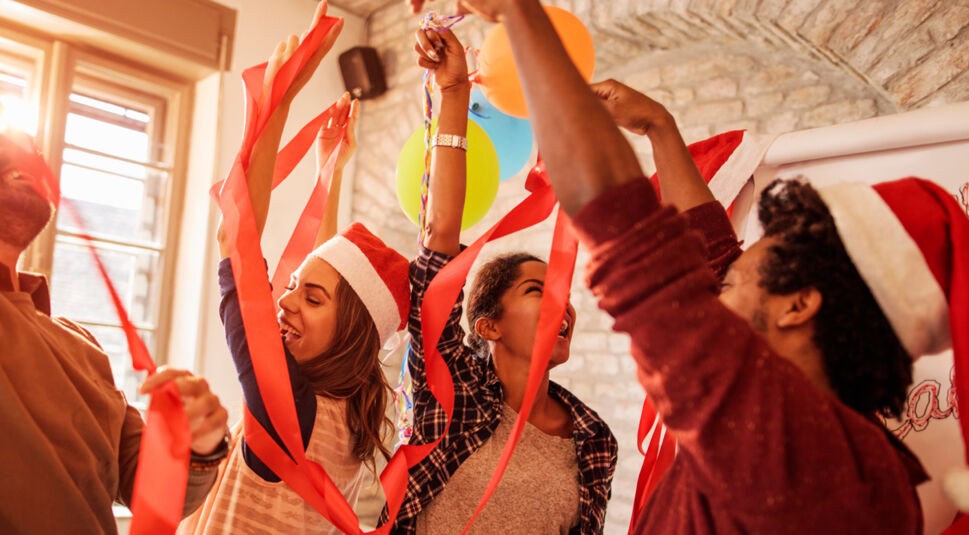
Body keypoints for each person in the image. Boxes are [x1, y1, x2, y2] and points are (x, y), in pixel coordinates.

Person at [410, 0, 969, 533]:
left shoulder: (787, 438)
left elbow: (628, 231)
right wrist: (659, 128)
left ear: (799, 305)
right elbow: (712, 253)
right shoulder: (863, 454)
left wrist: (520, 17)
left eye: (746, 271)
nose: (726, 273)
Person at [179, 3, 411, 533]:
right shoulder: (349, 408)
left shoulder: (290, 409)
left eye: (309, 298)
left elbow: (234, 237)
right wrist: (326, 171)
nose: (282, 300)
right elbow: (337, 286)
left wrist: (278, 99)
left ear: (352, 329)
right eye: (292, 287)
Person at [388, 27, 617, 534]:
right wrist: (453, 96)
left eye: (560, 290)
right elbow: (439, 236)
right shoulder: (453, 393)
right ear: (488, 326)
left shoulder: (593, 438)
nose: (563, 302)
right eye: (537, 290)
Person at [0, 136, 229, 531]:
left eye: (32, 150)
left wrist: (197, 444)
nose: (24, 154)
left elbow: (148, 485)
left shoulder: (82, 346)